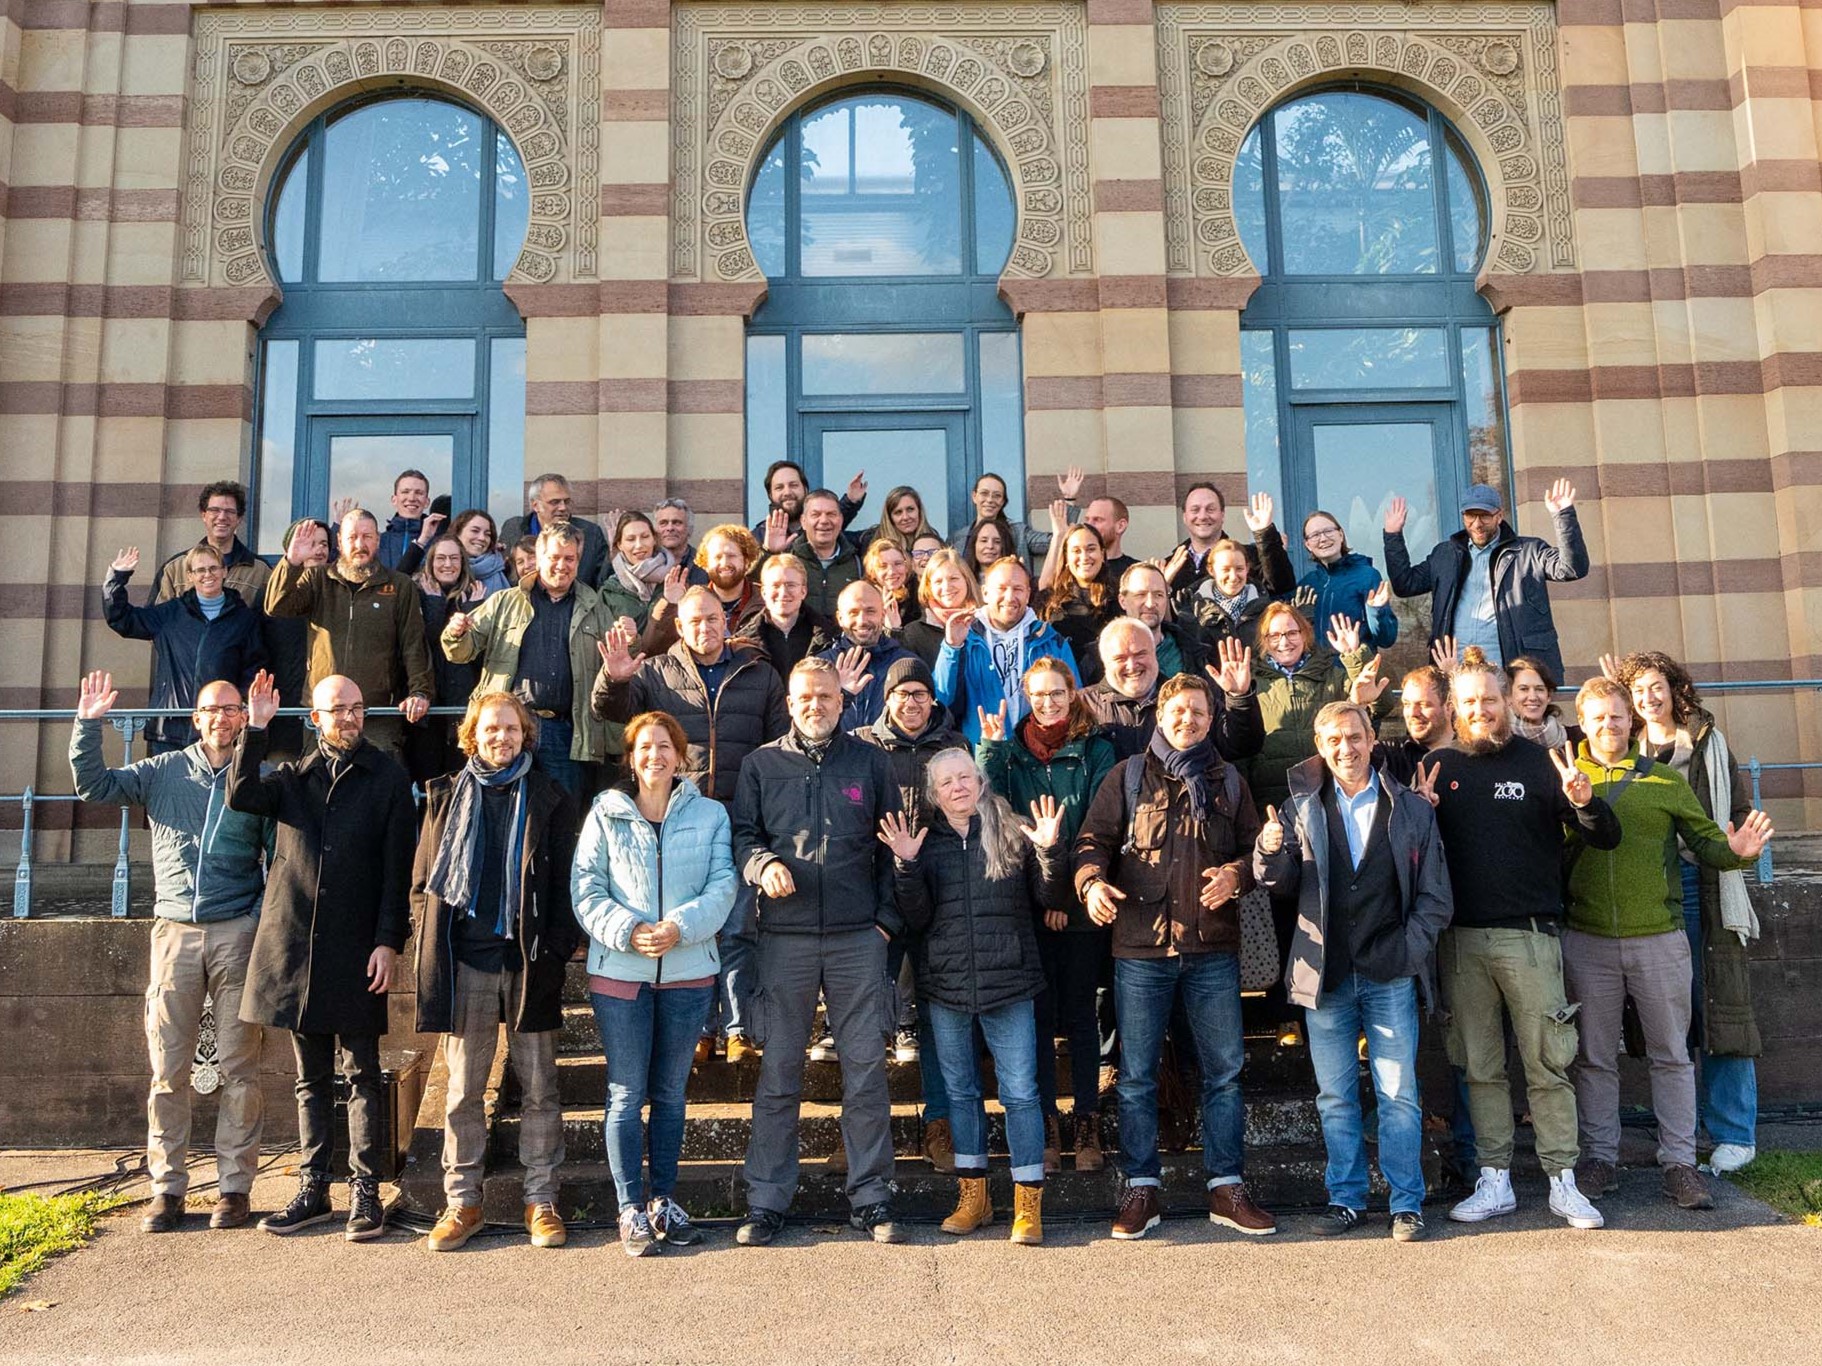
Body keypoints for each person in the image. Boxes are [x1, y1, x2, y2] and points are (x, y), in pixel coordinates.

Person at [1413, 646, 1619, 1230]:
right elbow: (1412, 859)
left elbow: (1604, 836)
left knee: (1547, 1063)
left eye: (1491, 700)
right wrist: (1421, 815)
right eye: (1470, 702)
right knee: (1479, 1066)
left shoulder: (1542, 762)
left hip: (1530, 938)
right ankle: (1495, 1178)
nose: (1481, 710)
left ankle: (1562, 1180)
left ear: (1509, 702)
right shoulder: (1439, 769)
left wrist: (1584, 802)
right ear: (1455, 708)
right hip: (1461, 943)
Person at [69, 671, 271, 1234]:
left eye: (233, 710)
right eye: (213, 709)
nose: (223, 718)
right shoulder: (162, 772)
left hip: (236, 931)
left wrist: (255, 922)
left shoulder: (255, 776)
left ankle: (234, 1189)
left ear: (241, 718)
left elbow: (279, 859)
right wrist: (88, 725)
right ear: (196, 717)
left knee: (240, 1068)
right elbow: (95, 786)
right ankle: (167, 1188)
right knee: (167, 1069)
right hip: (175, 931)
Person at [1074, 674, 1274, 1239]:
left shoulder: (1229, 780)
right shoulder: (1128, 775)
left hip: (1212, 948)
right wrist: (1091, 884)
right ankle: (1141, 1188)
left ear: (1213, 719)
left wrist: (1237, 876)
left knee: (1225, 1074)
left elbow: (1252, 849)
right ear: (1161, 714)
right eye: (1180, 711)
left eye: (1201, 713)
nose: (1190, 720)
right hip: (1141, 948)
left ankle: (1226, 1187)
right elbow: (1092, 842)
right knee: (1135, 1077)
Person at [1561, 677, 1772, 1211]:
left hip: (1658, 938)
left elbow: (1706, 844)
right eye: (1597, 717)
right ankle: (1599, 1159)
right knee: (1593, 1058)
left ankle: (1680, 1163)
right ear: (1581, 724)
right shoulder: (1563, 777)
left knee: (1671, 1057)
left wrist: (1739, 852)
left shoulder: (1663, 781)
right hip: (1586, 940)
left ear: (1629, 720)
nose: (1608, 725)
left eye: (1616, 716)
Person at [1254, 701, 1453, 1242]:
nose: (1346, 748)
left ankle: (1406, 1203)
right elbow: (1281, 883)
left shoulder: (1412, 809)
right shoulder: (1300, 808)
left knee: (1399, 1093)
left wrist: (1409, 951)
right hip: (1326, 973)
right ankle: (1346, 1199)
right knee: (1336, 1096)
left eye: (1355, 737)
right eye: (1334, 739)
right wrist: (1268, 853)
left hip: (1390, 971)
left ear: (1372, 740)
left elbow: (1436, 898)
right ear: (1320, 746)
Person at [228, 670, 416, 1241]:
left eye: (357, 708)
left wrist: (389, 941)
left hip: (357, 947)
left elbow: (397, 872)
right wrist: (255, 730)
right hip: (295, 950)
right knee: (309, 1078)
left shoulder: (386, 777)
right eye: (337, 710)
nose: (350, 718)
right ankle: (313, 1189)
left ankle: (366, 1191)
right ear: (316, 718)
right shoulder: (292, 778)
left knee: (361, 1073)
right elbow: (240, 795)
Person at [731, 658, 905, 1246]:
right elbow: (743, 836)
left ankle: (872, 1198)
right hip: (786, 940)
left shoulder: (870, 761)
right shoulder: (761, 765)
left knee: (864, 1075)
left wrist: (884, 923)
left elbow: (893, 845)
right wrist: (763, 864)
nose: (816, 705)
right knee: (779, 1073)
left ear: (842, 700)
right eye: (806, 697)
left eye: (826, 696)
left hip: (859, 938)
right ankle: (766, 1202)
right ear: (790, 702)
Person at [414, 692, 582, 1252]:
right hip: (466, 962)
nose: (501, 738)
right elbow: (423, 887)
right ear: (472, 734)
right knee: (462, 1089)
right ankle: (463, 1202)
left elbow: (566, 890)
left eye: (511, 729)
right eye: (491, 728)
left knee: (540, 1086)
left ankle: (541, 1199)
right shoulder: (442, 796)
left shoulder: (551, 798)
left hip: (530, 962)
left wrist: (556, 949)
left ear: (525, 735)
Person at [595, 587, 788, 1064]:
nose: (704, 628)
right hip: (682, 818)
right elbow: (613, 710)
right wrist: (614, 680)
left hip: (742, 814)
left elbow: (780, 743)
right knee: (691, 926)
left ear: (726, 621)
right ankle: (701, 1028)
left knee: (739, 926)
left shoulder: (758, 674)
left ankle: (739, 1026)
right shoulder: (657, 672)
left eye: (712, 619)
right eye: (694, 621)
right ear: (679, 627)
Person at [880, 755, 1067, 1244]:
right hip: (946, 987)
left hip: (1010, 982)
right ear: (934, 793)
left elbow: (1049, 899)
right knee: (961, 1095)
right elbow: (915, 917)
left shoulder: (1013, 831)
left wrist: (1049, 851)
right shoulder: (926, 842)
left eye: (965, 777)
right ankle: (974, 1199)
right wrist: (906, 864)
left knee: (1021, 1094)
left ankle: (1028, 1205)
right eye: (947, 782)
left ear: (981, 781)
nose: (958, 787)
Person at [573, 709, 736, 1255]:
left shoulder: (710, 815)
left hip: (688, 972)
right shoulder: (605, 812)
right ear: (631, 756)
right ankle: (628, 1209)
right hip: (620, 973)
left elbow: (723, 887)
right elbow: (586, 889)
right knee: (625, 1094)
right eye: (645, 746)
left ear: (680, 755)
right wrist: (630, 930)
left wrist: (678, 928)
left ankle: (662, 1201)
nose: (655, 756)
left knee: (669, 1093)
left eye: (665, 746)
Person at [1612, 649, 1763, 1174]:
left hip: (1706, 886)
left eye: (1656, 686)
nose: (1648, 698)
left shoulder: (1708, 745)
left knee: (1722, 1004)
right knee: (1670, 1017)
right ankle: (1682, 1131)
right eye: (1636, 692)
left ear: (1675, 689)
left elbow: (1739, 812)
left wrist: (1739, 839)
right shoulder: (1622, 749)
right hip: (1651, 893)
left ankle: (1734, 1132)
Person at [979, 659, 1116, 1174]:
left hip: (1080, 908)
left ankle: (1086, 1119)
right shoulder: (1010, 753)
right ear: (1026, 697)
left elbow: (1096, 826)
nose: (1049, 703)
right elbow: (993, 814)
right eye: (1038, 695)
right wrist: (990, 751)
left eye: (1057, 693)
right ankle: (1047, 1122)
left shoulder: (1096, 750)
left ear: (1071, 693)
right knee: (1035, 1020)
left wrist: (1064, 895)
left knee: (1081, 1014)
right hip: (1030, 905)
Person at [853, 655, 969, 1166]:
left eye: (920, 693)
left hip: (938, 897)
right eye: (902, 694)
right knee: (866, 1021)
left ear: (933, 698)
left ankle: (939, 1124)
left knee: (934, 1017)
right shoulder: (862, 745)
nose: (912, 702)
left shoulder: (955, 744)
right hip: (876, 900)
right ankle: (861, 1133)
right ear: (887, 699)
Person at [441, 523, 614, 798]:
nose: (562, 565)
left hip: (566, 733)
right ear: (540, 558)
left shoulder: (596, 608)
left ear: (578, 561)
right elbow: (460, 652)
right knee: (503, 808)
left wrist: (630, 640)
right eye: (554, 557)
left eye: (569, 558)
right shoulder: (504, 601)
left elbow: (618, 663)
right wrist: (455, 632)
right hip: (509, 729)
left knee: (563, 816)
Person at [264, 509, 434, 766]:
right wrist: (292, 561)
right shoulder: (318, 579)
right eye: (352, 537)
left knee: (378, 789)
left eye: (367, 536)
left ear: (377, 540)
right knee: (319, 790)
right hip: (323, 713)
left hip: (376, 713)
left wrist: (420, 692)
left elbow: (414, 644)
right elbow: (276, 605)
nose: (360, 544)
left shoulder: (399, 586)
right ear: (340, 541)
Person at [1383, 480, 1587, 677]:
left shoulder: (1529, 551)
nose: (1477, 524)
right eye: (1470, 516)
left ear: (1499, 516)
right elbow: (1405, 584)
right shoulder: (1444, 554)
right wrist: (1393, 535)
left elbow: (1571, 568)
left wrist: (1563, 516)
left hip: (1513, 669)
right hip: (1455, 669)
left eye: (1485, 516)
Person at [103, 544, 266, 753]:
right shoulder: (170, 613)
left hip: (220, 728)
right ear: (190, 576)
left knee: (218, 786)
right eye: (200, 570)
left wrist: (238, 710)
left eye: (214, 568)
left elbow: (253, 669)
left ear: (224, 571)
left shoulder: (244, 620)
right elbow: (122, 619)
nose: (208, 574)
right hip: (170, 729)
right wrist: (116, 578)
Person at [1243, 602, 1381, 815]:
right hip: (1271, 800)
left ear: (1305, 634)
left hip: (1327, 795)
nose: (1284, 642)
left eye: (1292, 633)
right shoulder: (1250, 682)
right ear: (1264, 640)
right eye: (1275, 635)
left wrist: (1355, 657)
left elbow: (1381, 704)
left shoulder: (1330, 675)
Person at [935, 557, 1078, 745]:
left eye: (1018, 589)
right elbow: (942, 701)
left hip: (1039, 758)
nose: (1009, 597)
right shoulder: (964, 638)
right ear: (985, 593)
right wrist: (951, 646)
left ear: (1028, 595)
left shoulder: (1052, 641)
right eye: (1001, 589)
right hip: (982, 753)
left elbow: (1076, 703)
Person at [1085, 617, 1260, 762]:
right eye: (1120, 658)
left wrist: (1239, 697)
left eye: (1140, 654)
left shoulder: (1189, 697)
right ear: (1104, 661)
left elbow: (1241, 747)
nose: (1132, 665)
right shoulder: (1083, 706)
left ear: (1155, 653)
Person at [404, 533, 484, 785]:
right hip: (427, 713)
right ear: (430, 562)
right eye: (440, 558)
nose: (447, 564)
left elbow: (476, 652)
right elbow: (424, 646)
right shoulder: (416, 593)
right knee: (428, 786)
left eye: (453, 558)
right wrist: (435, 605)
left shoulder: (475, 595)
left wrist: (473, 610)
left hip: (461, 709)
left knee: (461, 783)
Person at [263, 518, 328, 761]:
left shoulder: (339, 592)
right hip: (283, 714)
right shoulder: (270, 594)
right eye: (310, 543)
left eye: (324, 543)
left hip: (325, 711)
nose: (318, 549)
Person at [152, 480, 271, 608]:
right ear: (204, 515)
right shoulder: (175, 568)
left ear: (239, 519)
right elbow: (154, 621)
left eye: (230, 511)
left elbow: (272, 621)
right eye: (215, 510)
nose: (222, 517)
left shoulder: (260, 571)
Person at [1161, 485, 1294, 601]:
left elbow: (1282, 587)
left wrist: (1264, 535)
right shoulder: (1167, 567)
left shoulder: (1249, 556)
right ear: (1185, 517)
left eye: (1210, 509)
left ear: (1222, 514)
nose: (1202, 516)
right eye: (1195, 510)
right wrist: (1162, 585)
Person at [818, 580, 916, 730]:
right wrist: (840, 693)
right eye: (853, 612)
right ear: (840, 618)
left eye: (870, 611)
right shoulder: (821, 666)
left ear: (883, 615)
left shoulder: (906, 664)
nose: (862, 620)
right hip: (836, 752)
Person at [648, 524, 761, 651]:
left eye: (731, 556)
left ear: (746, 561)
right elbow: (652, 650)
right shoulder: (691, 602)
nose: (724, 563)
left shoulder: (765, 601)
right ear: (705, 563)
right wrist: (670, 605)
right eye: (717, 557)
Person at [1296, 511, 1399, 650]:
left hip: (1354, 668)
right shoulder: (1306, 585)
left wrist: (1376, 611)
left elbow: (1386, 639)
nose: (1323, 538)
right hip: (1315, 670)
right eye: (1315, 535)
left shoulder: (1367, 576)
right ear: (1307, 544)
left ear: (1341, 535)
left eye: (1328, 531)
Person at [1036, 519, 1119, 686]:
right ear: (1066, 557)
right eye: (1076, 551)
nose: (1084, 557)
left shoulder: (1119, 598)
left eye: (1091, 549)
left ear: (1102, 554)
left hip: (1108, 692)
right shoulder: (1048, 601)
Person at [739, 553, 835, 681]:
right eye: (775, 586)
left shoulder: (830, 638)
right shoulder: (743, 643)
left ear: (803, 591)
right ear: (763, 592)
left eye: (791, 585)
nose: (783, 593)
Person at [501, 473, 609, 587]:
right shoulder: (513, 529)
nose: (563, 508)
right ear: (535, 505)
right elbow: (502, 575)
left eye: (566, 502)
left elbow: (602, 582)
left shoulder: (590, 533)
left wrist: (614, 554)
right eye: (554, 502)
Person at [946, 468, 1082, 558]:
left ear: (1003, 501)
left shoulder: (1019, 533)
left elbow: (1056, 542)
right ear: (974, 496)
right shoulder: (957, 538)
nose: (990, 500)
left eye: (997, 495)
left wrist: (1069, 500)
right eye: (984, 493)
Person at [1178, 537, 1272, 663]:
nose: (1233, 577)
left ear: (1247, 568)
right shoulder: (1192, 608)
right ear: (1211, 570)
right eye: (1225, 569)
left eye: (1239, 569)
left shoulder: (1266, 608)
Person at [783, 489, 865, 619]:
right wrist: (768, 551)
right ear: (803, 521)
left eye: (831, 514)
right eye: (816, 514)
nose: (824, 520)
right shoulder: (787, 561)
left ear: (841, 519)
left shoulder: (858, 563)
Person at [1116, 562, 1204, 681]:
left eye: (1158, 595)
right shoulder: (1098, 658)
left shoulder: (1194, 652)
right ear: (1122, 601)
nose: (1150, 604)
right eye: (1140, 595)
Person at [750, 459, 867, 546]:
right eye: (779, 487)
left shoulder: (819, 524)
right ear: (770, 495)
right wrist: (769, 552)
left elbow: (834, 518)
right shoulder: (757, 536)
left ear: (805, 489)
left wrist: (851, 501)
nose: (787, 492)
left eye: (793, 485)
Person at [1375, 663, 1453, 785]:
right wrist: (1358, 703)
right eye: (1406, 704)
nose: (1412, 713)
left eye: (1423, 705)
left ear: (1449, 707)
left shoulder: (1470, 754)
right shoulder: (1391, 753)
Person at [901, 547, 977, 668]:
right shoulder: (914, 634)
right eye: (938, 581)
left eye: (954, 578)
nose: (947, 587)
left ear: (967, 581)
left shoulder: (983, 623)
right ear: (928, 587)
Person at [598, 511, 670, 630]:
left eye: (645, 537)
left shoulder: (675, 580)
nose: (639, 545)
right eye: (630, 539)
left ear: (654, 539)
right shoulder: (609, 592)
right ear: (620, 545)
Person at [1506, 653, 1574, 749]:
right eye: (1524, 689)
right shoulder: (1499, 742)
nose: (1533, 697)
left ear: (1548, 696)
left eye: (1539, 689)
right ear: (1508, 697)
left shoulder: (1570, 739)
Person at [378, 469, 438, 570]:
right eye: (405, 492)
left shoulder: (437, 543)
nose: (411, 498)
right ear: (394, 500)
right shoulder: (379, 542)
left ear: (427, 502)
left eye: (419, 493)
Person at [854, 484, 938, 554]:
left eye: (910, 509)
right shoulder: (871, 538)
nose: (905, 517)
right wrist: (849, 503)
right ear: (889, 517)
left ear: (919, 511)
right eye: (898, 512)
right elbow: (840, 532)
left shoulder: (933, 538)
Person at [862, 538, 920, 632]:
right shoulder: (863, 597)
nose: (891, 572)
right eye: (883, 566)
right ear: (872, 571)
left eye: (898, 563)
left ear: (907, 566)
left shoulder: (919, 595)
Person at [450, 508, 510, 597]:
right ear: (458, 533)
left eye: (487, 534)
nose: (482, 538)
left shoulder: (505, 568)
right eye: (475, 531)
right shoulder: (445, 568)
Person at [1082, 495, 1136, 582]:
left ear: (1120, 526)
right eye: (1087, 519)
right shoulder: (1079, 567)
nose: (1089, 525)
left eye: (1097, 520)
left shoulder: (1136, 572)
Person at [961, 515, 1015, 581]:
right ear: (974, 545)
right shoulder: (964, 580)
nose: (990, 546)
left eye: (997, 542)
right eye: (984, 541)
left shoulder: (1015, 579)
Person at [653, 497, 698, 570]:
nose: (670, 528)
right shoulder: (645, 563)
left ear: (689, 528)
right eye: (663, 523)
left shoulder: (704, 564)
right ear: (655, 529)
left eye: (677, 522)